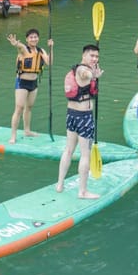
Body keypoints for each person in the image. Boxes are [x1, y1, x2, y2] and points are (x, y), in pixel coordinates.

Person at [57, 44, 102, 199]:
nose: (95, 59)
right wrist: (93, 76)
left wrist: (94, 74)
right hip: (84, 117)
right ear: (84, 55)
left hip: (71, 115)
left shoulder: (76, 68)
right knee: (85, 155)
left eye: (97, 56)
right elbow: (85, 75)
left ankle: (60, 184)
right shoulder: (83, 70)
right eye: (92, 56)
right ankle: (82, 192)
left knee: (68, 150)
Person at [6, 29, 53, 144]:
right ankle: (13, 135)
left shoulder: (41, 51)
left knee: (29, 107)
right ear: (27, 39)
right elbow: (19, 46)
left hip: (34, 83)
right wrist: (16, 43)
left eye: (35, 37)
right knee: (19, 108)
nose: (33, 39)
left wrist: (51, 48)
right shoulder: (24, 49)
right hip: (22, 82)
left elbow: (50, 62)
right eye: (31, 37)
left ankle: (27, 130)